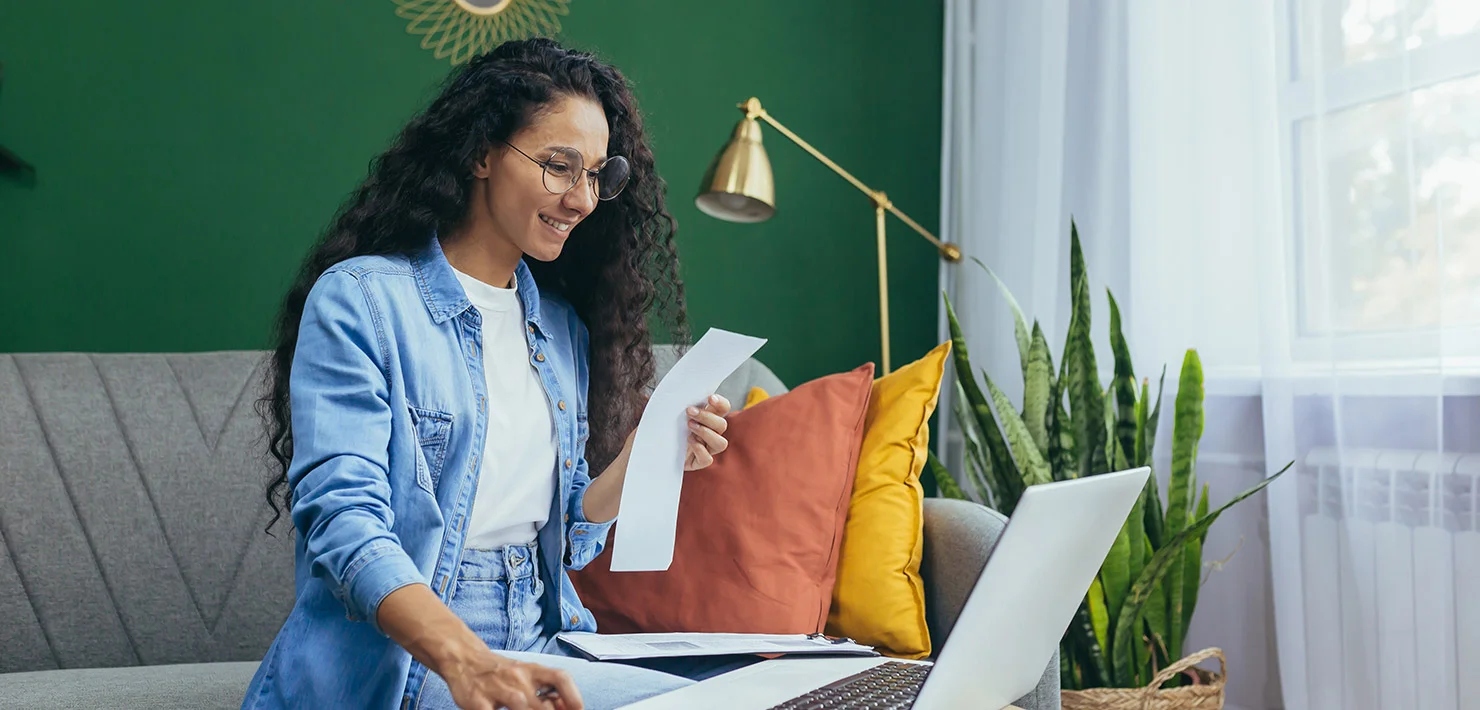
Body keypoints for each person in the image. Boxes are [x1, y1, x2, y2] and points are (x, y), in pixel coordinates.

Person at [242, 38, 731, 710]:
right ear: (480, 153)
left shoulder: (559, 328)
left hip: (542, 636)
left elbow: (568, 537)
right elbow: (344, 523)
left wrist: (648, 458)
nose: (582, 198)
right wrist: (468, 662)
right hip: (411, 661)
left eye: (597, 174)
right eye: (560, 167)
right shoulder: (363, 300)